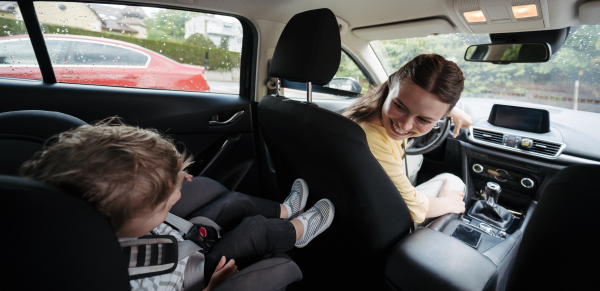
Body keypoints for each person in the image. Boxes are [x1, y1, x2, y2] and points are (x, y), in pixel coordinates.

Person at [20, 120, 334, 291]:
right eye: (168, 196)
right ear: (136, 219)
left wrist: (165, 202)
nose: (184, 182)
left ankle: (285, 210)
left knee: (236, 200)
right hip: (195, 274)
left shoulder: (108, 224)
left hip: (181, 240)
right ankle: (298, 231)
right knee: (255, 230)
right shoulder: (120, 280)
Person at [344, 54, 471, 224]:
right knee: (454, 181)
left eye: (424, 119)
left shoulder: (371, 106)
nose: (404, 126)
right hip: (385, 218)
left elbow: (417, 101)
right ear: (390, 88)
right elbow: (413, 207)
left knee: (416, 156)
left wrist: (455, 112)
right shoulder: (371, 139)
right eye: (399, 106)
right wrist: (446, 204)